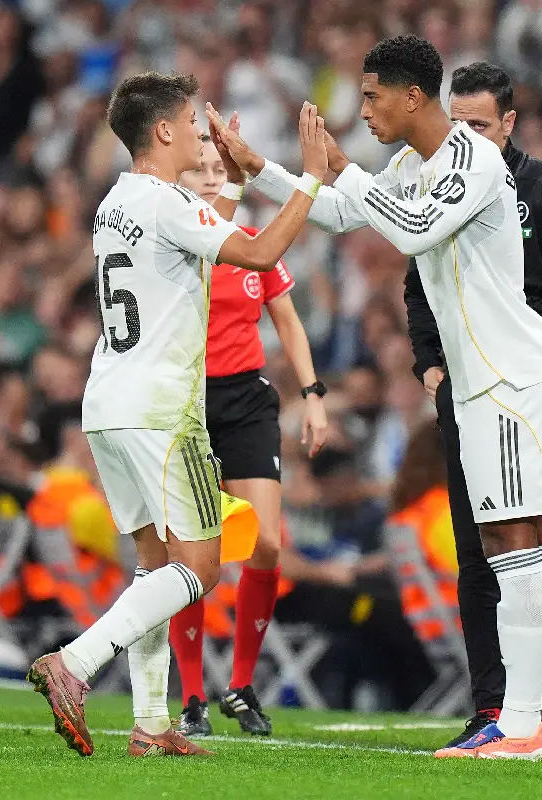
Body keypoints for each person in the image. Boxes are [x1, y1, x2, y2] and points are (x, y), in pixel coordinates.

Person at [213, 36, 542, 758]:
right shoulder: (412, 165)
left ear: (412, 96)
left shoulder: (473, 160)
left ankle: (522, 722)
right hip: (488, 380)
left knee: (515, 544)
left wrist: (344, 172)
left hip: (510, 377)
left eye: (371, 97)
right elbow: (338, 214)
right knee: (523, 547)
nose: (361, 111)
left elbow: (413, 228)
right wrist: (261, 169)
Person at [25, 71, 328, 759]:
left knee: (153, 564)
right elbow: (256, 250)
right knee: (205, 562)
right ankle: (75, 662)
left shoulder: (116, 203)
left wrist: (239, 181)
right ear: (162, 130)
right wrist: (307, 180)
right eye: (192, 121)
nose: (201, 131)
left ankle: (153, 723)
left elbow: (205, 230)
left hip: (107, 402)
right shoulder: (165, 202)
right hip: (162, 411)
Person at [403, 61, 542, 748]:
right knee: (476, 547)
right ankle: (494, 708)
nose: (464, 136)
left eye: (479, 125)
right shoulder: (437, 183)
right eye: (455, 122)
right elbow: (419, 284)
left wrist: (504, 345)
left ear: (510, 123)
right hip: (467, 383)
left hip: (540, 382)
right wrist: (431, 364)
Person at [168, 131, 329, 737]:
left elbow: (285, 319)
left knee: (264, 544)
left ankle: (239, 684)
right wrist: (234, 186)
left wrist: (312, 395)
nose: (210, 178)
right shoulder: (182, 243)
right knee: (195, 553)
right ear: (179, 179)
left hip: (245, 398)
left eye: (219, 169)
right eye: (199, 169)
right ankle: (189, 698)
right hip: (187, 404)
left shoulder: (258, 247)